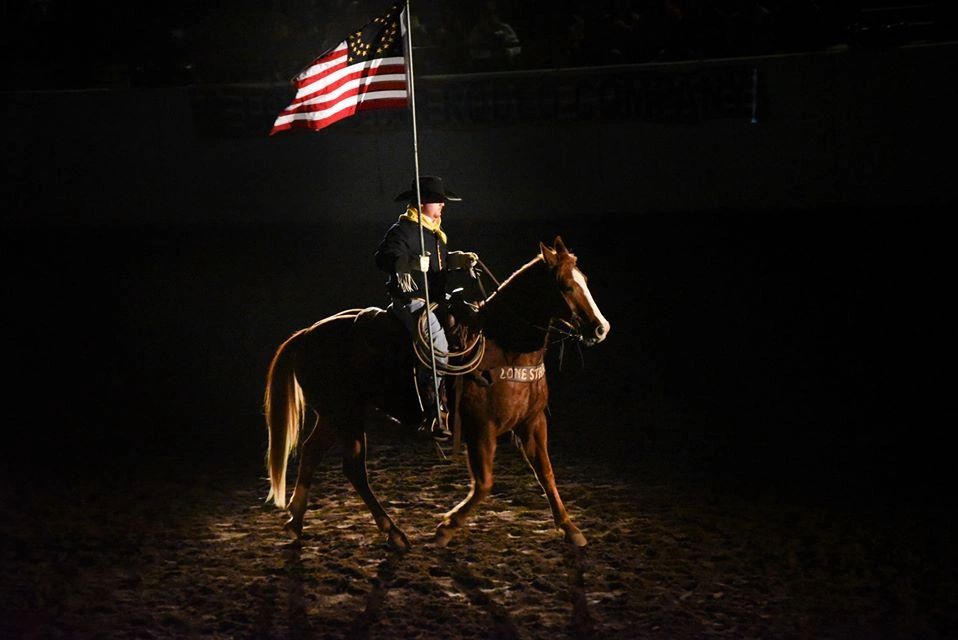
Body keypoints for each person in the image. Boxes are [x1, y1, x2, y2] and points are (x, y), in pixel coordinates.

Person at [374, 175, 478, 441]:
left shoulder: (435, 233)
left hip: (437, 299)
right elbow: (383, 257)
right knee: (438, 347)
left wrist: (457, 260)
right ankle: (434, 413)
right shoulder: (403, 230)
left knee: (468, 323)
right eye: (438, 201)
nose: (443, 205)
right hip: (411, 300)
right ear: (422, 203)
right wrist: (408, 262)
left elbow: (436, 266)